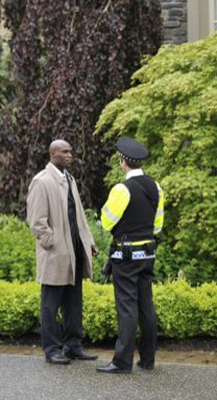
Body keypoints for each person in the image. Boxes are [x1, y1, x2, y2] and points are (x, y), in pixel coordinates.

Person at [26, 139, 99, 365]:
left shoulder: (69, 179)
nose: (70, 155)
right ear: (53, 154)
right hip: (56, 254)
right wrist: (53, 243)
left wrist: (88, 241)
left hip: (74, 251)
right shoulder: (41, 181)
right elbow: (36, 221)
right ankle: (52, 350)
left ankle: (73, 346)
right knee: (50, 304)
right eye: (65, 152)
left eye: (70, 151)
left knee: (73, 302)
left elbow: (79, 216)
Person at [96, 136, 164, 374]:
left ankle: (122, 362)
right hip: (147, 255)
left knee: (127, 308)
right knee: (146, 306)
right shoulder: (156, 187)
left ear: (123, 162)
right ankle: (147, 359)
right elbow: (157, 226)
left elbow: (107, 222)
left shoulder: (121, 189)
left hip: (125, 257)